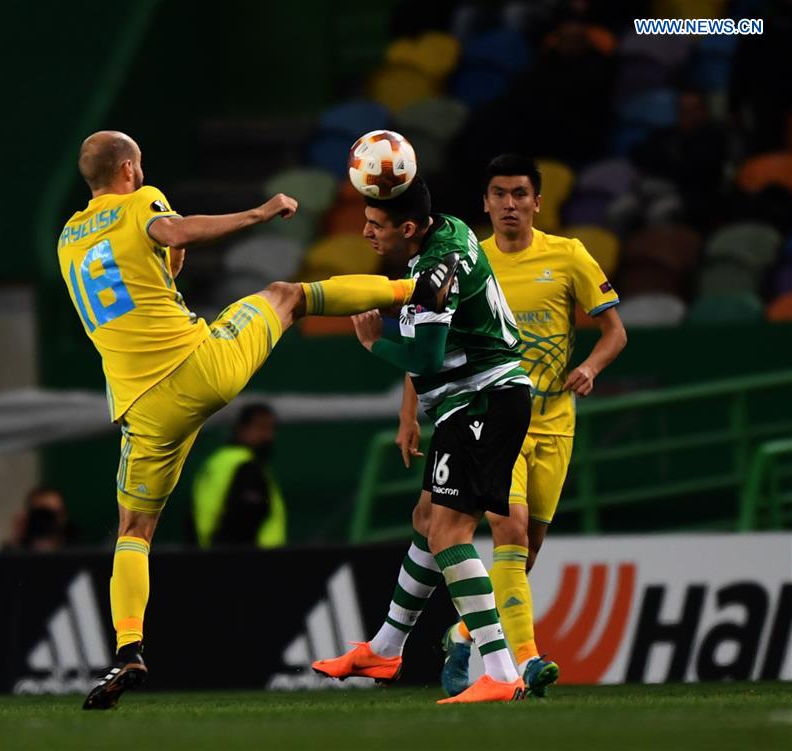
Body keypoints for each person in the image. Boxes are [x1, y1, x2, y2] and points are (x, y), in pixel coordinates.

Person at [58, 131, 451, 710]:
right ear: (126, 170)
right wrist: (262, 211)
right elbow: (173, 229)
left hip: (141, 410)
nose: (141, 174)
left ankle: (128, 648)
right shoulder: (140, 202)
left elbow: (132, 284)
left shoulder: (68, 236)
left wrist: (168, 265)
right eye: (137, 166)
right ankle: (416, 288)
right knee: (287, 294)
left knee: (134, 532)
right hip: (197, 368)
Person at [311, 177, 534, 704]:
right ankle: (386, 648)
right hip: (470, 403)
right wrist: (410, 416)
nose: (365, 231)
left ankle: (502, 673)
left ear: (407, 228)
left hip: (482, 401)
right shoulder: (442, 239)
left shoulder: (434, 272)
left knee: (449, 533)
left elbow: (425, 359)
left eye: (376, 224)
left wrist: (373, 344)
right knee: (426, 519)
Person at [436, 154, 627, 698]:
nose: (510, 204)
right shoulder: (468, 261)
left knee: (525, 551)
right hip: (493, 420)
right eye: (499, 193)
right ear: (486, 202)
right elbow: (437, 341)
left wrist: (589, 367)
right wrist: (410, 414)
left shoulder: (568, 256)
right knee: (509, 531)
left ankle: (462, 631)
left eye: (520, 194)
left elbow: (615, 332)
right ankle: (526, 661)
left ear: (537, 202)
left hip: (555, 424)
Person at [192, 402, 286, 548]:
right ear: (242, 429)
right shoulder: (247, 467)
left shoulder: (216, 462)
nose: (269, 436)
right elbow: (243, 520)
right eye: (261, 428)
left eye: (271, 429)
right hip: (251, 563)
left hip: (211, 558)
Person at [5, 486, 73, 551]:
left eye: (52, 514)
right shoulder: (13, 551)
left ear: (64, 516)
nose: (45, 520)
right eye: (40, 514)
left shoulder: (76, 553)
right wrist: (17, 537)